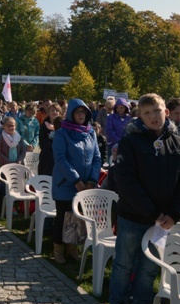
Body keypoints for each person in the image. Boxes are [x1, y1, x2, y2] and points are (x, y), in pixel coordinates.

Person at [108, 93, 180, 304]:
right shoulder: (130, 142)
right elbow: (125, 182)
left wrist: (175, 214)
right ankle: (118, 303)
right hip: (134, 216)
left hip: (164, 221)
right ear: (140, 117)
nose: (152, 117)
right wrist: (152, 212)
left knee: (149, 266)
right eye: (146, 113)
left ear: (166, 112)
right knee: (125, 262)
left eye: (156, 111)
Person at [51, 99, 102, 264]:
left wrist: (92, 180)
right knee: (63, 216)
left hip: (85, 185)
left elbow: (96, 157)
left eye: (84, 112)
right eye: (78, 112)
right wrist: (76, 180)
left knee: (78, 218)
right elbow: (60, 159)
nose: (81, 115)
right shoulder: (62, 133)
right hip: (65, 185)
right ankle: (57, 248)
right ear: (72, 113)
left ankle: (72, 247)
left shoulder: (90, 133)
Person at [37, 102, 62, 175]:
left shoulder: (63, 125)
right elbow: (42, 143)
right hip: (47, 157)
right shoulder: (44, 125)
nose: (54, 112)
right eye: (52, 110)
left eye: (57, 110)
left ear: (60, 113)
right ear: (49, 112)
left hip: (59, 157)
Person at [105, 98, 131, 162]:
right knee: (113, 164)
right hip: (113, 144)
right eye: (118, 107)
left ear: (125, 108)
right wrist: (118, 141)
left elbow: (130, 131)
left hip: (126, 145)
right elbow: (109, 131)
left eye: (122, 107)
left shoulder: (129, 118)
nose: (120, 109)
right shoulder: (110, 117)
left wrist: (124, 141)